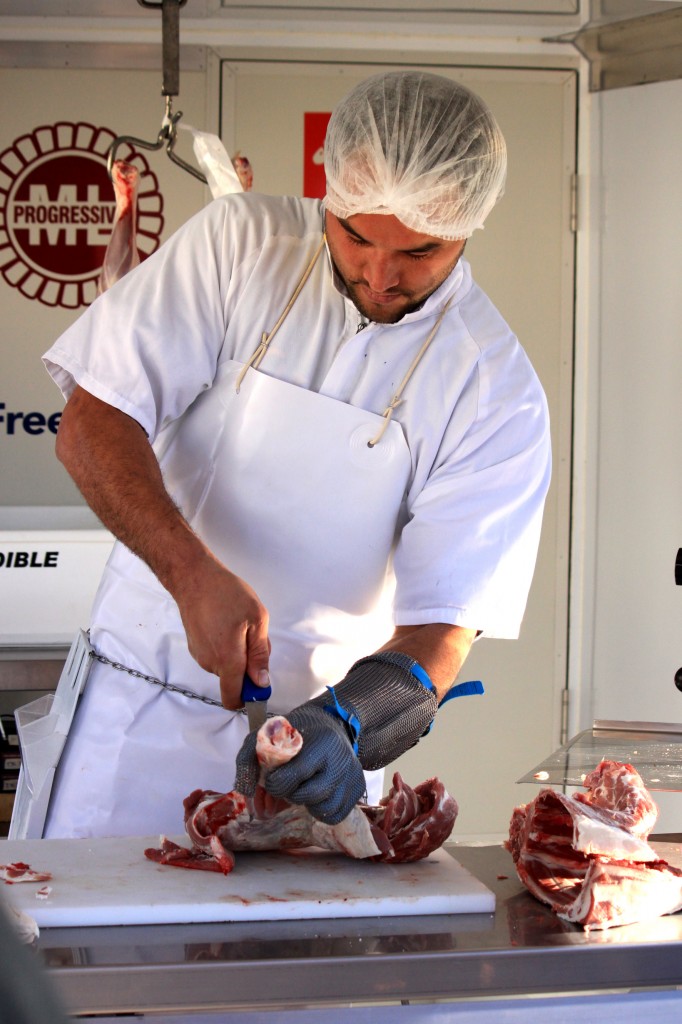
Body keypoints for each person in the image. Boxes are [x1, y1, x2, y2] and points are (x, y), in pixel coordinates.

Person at [39, 70, 551, 838]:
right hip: (130, 724)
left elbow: (444, 623)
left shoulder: (495, 388)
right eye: (354, 236)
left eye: (421, 250)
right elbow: (91, 420)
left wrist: (353, 721)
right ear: (329, 195)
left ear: (471, 224)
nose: (380, 277)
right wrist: (188, 572)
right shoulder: (239, 244)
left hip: (313, 760)